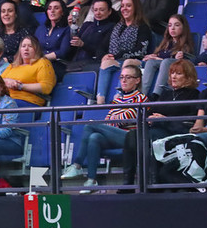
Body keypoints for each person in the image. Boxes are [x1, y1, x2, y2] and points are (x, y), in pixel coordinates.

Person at [62, 64, 147, 192]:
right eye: (122, 77)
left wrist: (116, 118)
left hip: (132, 138)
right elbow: (109, 121)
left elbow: (126, 119)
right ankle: (91, 180)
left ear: (137, 80)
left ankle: (77, 164)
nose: (123, 80)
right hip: (116, 136)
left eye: (128, 77)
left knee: (90, 125)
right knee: (94, 137)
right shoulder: (117, 101)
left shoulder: (141, 98)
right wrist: (117, 119)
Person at [121, 59, 199, 185]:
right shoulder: (167, 93)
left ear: (188, 76)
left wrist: (163, 119)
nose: (173, 76)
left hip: (176, 131)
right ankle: (128, 182)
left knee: (148, 139)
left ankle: (151, 181)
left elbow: (188, 122)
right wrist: (151, 118)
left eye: (178, 73)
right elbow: (150, 111)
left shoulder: (194, 95)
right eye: (172, 73)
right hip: (158, 129)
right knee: (132, 135)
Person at [95, 0, 149, 104]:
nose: (124, 8)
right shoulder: (117, 27)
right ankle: (100, 101)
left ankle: (119, 98)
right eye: (123, 6)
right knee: (106, 63)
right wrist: (104, 56)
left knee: (128, 62)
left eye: (128, 6)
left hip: (137, 61)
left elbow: (141, 50)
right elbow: (101, 47)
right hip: (118, 60)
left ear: (136, 8)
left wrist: (118, 55)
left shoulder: (143, 27)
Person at [140, 14, 193, 97]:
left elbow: (172, 61)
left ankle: (156, 94)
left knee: (165, 62)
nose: (172, 28)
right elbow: (160, 55)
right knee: (150, 62)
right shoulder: (166, 43)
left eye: (177, 25)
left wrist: (157, 58)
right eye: (170, 25)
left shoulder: (185, 44)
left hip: (174, 64)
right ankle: (142, 94)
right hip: (164, 62)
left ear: (183, 27)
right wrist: (151, 56)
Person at [1, 35, 56, 107]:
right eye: (23, 46)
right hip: (6, 100)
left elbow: (46, 87)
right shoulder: (13, 65)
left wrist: (20, 86)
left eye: (30, 46)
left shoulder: (42, 62)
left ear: (36, 49)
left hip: (29, 102)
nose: (26, 49)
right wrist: (7, 81)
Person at [69, 0, 118, 70]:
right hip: (76, 62)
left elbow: (102, 50)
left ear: (109, 11)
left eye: (102, 10)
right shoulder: (87, 25)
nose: (98, 13)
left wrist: (83, 44)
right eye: (95, 10)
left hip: (94, 63)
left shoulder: (112, 27)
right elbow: (72, 46)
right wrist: (71, 29)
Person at [36, 0, 71, 80]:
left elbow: (63, 52)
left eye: (56, 8)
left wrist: (42, 58)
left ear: (62, 12)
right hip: (38, 63)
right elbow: (34, 46)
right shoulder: (41, 28)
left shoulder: (66, 29)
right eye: (49, 8)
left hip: (57, 65)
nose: (52, 11)